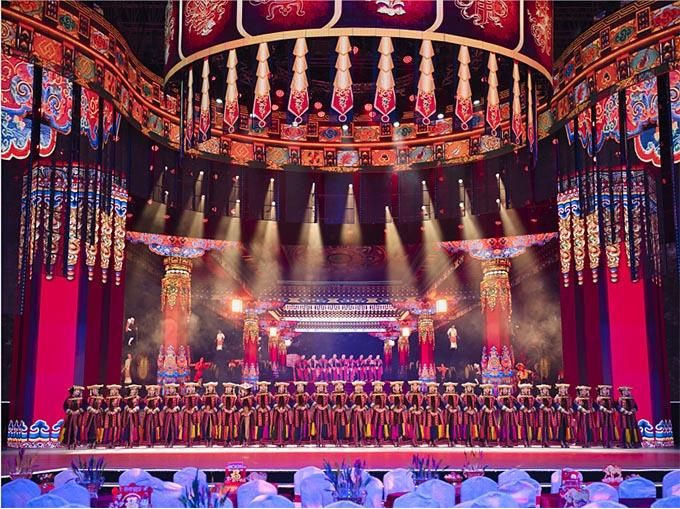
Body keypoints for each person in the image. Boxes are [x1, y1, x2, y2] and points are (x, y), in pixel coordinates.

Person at [310, 381, 331, 446]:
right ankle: (317, 441)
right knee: (317, 426)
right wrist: (316, 405)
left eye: (322, 386)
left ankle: (323, 440)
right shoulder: (314, 395)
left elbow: (330, 403)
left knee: (324, 427)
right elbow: (312, 402)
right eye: (319, 386)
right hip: (317, 413)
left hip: (324, 413)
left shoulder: (327, 395)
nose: (320, 388)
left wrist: (325, 407)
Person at [349, 381, 370, 446]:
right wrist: (355, 408)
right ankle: (355, 441)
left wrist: (363, 408)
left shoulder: (365, 395)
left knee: (362, 426)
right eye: (357, 386)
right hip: (355, 413)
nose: (358, 388)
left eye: (360, 386)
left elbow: (368, 403)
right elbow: (350, 403)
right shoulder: (352, 395)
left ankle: (362, 440)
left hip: (363, 413)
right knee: (355, 427)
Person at [553, 383, 574, 448]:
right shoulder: (557, 397)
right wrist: (561, 409)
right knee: (561, 427)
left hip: (567, 414)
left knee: (566, 427)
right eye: (561, 388)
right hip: (560, 414)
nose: (562, 390)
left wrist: (571, 409)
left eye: (564, 388)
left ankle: (566, 441)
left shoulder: (568, 397)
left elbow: (571, 404)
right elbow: (555, 404)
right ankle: (561, 441)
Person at [271, 382, 291, 447]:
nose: (281, 388)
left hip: (285, 413)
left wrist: (285, 408)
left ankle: (284, 441)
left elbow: (290, 403)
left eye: (282, 387)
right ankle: (277, 441)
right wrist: (277, 408)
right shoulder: (276, 395)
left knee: (284, 427)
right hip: (277, 413)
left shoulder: (287, 395)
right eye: (280, 387)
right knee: (277, 426)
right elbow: (273, 403)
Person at [161, 383, 181, 447]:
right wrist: (166, 408)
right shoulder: (166, 396)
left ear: (175, 389)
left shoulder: (178, 397)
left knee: (173, 427)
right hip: (167, 414)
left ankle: (172, 441)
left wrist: (176, 408)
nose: (171, 389)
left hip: (174, 414)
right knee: (167, 427)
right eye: (170, 388)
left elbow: (180, 405)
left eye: (172, 388)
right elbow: (163, 405)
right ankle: (167, 441)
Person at [517, 383, 536, 447]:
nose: (526, 390)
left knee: (529, 427)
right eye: (524, 388)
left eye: (527, 388)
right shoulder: (519, 397)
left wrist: (531, 409)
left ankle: (529, 440)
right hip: (522, 413)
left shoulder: (531, 397)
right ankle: (524, 440)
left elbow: (535, 404)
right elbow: (518, 404)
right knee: (523, 427)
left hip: (529, 413)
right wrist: (523, 409)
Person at [388, 381, 407, 446]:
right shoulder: (390, 395)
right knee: (394, 426)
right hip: (393, 413)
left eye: (398, 386)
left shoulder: (402, 395)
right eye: (395, 386)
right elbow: (388, 403)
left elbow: (406, 403)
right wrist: (394, 409)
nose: (396, 387)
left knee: (400, 426)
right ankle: (394, 439)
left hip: (401, 413)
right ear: (393, 387)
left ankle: (399, 438)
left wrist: (402, 408)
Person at [406, 380, 425, 446]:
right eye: (413, 385)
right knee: (412, 426)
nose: (415, 387)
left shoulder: (421, 394)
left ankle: (418, 440)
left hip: (419, 413)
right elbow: (406, 403)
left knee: (418, 426)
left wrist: (420, 410)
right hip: (411, 413)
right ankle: (412, 440)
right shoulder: (408, 394)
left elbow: (423, 403)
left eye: (416, 385)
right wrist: (411, 409)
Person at [370, 381, 389, 446]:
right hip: (374, 413)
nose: (378, 387)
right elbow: (369, 402)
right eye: (376, 386)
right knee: (374, 426)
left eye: (379, 386)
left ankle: (381, 440)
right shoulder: (372, 394)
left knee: (381, 426)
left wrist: (383, 409)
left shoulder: (384, 394)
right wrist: (374, 407)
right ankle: (375, 440)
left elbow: (387, 403)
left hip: (382, 413)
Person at [442, 382, 461, 446]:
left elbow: (460, 404)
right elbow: (443, 403)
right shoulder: (444, 395)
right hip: (447, 413)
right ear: (447, 388)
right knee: (447, 426)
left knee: (453, 426)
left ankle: (453, 440)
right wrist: (449, 408)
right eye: (449, 386)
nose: (450, 388)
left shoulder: (456, 395)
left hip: (454, 413)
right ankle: (448, 440)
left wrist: (456, 409)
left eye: (451, 386)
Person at [460, 382, 479, 446]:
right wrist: (467, 410)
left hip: (473, 413)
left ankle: (471, 440)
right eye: (468, 387)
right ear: (466, 388)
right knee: (466, 427)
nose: (469, 388)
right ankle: (466, 441)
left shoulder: (474, 396)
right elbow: (461, 404)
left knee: (471, 427)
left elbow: (477, 404)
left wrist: (474, 410)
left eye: (470, 387)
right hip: (465, 413)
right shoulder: (463, 396)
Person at [202, 382, 220, 447]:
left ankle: (211, 441)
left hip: (213, 414)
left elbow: (218, 404)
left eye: (211, 387)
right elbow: (201, 404)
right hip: (206, 414)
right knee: (206, 427)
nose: (210, 388)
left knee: (212, 427)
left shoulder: (216, 396)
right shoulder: (204, 396)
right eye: (209, 387)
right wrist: (204, 409)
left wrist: (213, 410)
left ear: (213, 388)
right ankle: (206, 441)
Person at [292, 381, 310, 446]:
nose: (300, 388)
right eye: (298, 386)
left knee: (304, 426)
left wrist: (305, 407)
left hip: (304, 412)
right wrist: (297, 406)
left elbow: (310, 403)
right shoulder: (294, 395)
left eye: (301, 386)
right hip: (296, 413)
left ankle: (303, 440)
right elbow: (291, 403)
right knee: (297, 426)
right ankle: (297, 440)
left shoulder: (306, 395)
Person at [424, 382, 442, 447]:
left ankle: (435, 440)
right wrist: (430, 411)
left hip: (436, 413)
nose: (432, 388)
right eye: (430, 387)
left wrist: (437, 411)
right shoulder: (426, 395)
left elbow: (442, 404)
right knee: (429, 427)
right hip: (429, 414)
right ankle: (429, 441)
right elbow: (424, 404)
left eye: (433, 387)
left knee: (435, 427)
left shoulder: (438, 395)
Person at [331, 380, 348, 446]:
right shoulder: (332, 394)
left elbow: (348, 402)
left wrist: (343, 408)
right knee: (336, 426)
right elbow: (330, 402)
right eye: (337, 385)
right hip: (335, 412)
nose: (339, 386)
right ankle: (336, 440)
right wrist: (335, 408)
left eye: (340, 385)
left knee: (342, 426)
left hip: (343, 412)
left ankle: (341, 440)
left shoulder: (345, 394)